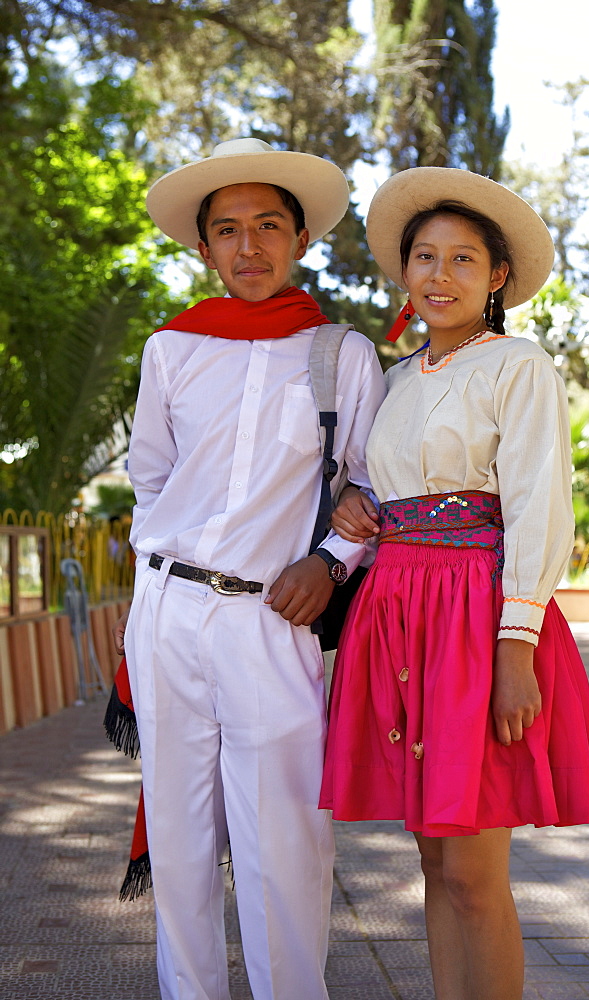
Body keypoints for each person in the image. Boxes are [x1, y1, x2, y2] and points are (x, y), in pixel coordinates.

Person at [318, 167, 589, 1000]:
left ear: (497, 278)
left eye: (462, 260)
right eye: (424, 257)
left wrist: (514, 649)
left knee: (476, 875)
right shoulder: (396, 378)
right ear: (405, 273)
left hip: (474, 622)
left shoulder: (518, 367)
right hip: (397, 612)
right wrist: (354, 501)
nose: (440, 275)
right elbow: (386, 484)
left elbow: (536, 504)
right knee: (434, 863)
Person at [115, 137, 386, 1000]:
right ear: (202, 249)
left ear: (300, 239)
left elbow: (377, 487)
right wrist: (154, 581)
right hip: (167, 613)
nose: (248, 246)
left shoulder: (340, 353)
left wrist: (332, 562)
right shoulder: (172, 349)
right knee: (183, 839)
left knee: (284, 843)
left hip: (273, 618)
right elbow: (149, 480)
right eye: (227, 230)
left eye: (268, 225)